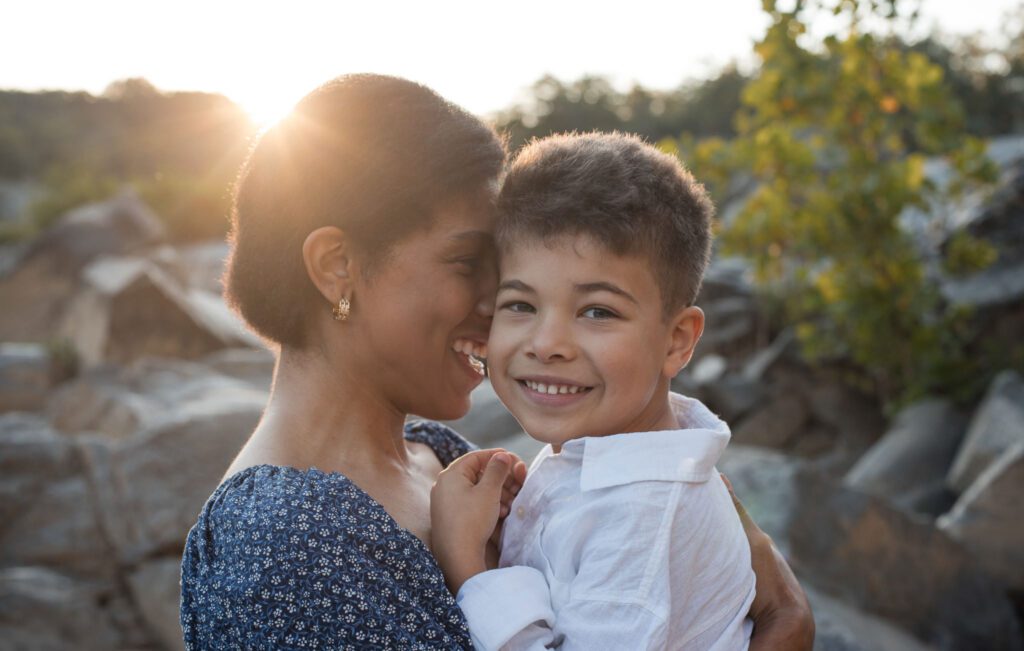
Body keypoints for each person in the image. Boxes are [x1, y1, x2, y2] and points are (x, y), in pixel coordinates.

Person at [179, 74, 814, 650]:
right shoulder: (284, 543)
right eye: (469, 265)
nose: (500, 311)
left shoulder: (441, 457)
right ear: (336, 267)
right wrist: (784, 619)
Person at [430, 132, 756, 649]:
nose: (548, 343)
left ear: (676, 341)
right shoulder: (600, 458)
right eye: (520, 305)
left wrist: (468, 568)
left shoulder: (645, 518)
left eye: (598, 312)